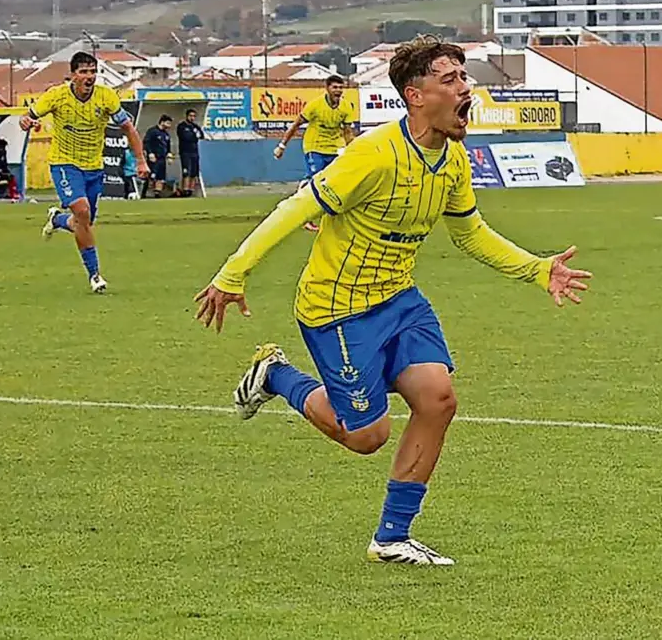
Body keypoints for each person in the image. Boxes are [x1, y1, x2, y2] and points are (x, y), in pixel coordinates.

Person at [193, 36, 591, 565]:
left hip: (400, 300)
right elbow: (293, 210)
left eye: (464, 78)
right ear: (416, 94)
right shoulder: (372, 156)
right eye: (450, 80)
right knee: (366, 437)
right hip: (337, 309)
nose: (464, 90)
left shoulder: (451, 161)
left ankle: (392, 537)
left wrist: (537, 270)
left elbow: (470, 234)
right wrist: (232, 274)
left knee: (438, 399)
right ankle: (275, 376)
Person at [20, 51, 149, 293]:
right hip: (64, 164)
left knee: (83, 222)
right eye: (83, 72)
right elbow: (26, 118)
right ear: (72, 75)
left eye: (93, 71)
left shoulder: (106, 97)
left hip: (93, 167)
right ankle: (95, 275)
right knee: (82, 211)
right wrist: (26, 122)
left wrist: (140, 161)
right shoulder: (56, 96)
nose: (89, 76)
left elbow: (129, 129)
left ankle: (57, 220)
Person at [273, 74, 357, 231]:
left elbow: (347, 132)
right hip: (314, 146)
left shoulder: (346, 107)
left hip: (334, 147)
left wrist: (353, 150)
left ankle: (333, 215)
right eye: (335, 87)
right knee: (315, 178)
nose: (338, 90)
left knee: (333, 181)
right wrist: (282, 146)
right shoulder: (315, 106)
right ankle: (303, 214)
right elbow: (296, 124)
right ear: (327, 88)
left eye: (340, 87)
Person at [175, 108, 206, 197]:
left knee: (194, 172)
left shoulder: (195, 126)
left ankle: (191, 190)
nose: (192, 118)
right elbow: (186, 137)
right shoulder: (182, 126)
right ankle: (185, 190)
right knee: (186, 172)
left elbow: (201, 135)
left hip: (194, 152)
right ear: (187, 116)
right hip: (185, 152)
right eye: (190, 116)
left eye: (194, 116)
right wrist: (194, 135)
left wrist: (195, 135)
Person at [142, 115, 172, 198]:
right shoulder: (152, 131)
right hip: (154, 158)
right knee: (151, 176)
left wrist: (169, 154)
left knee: (161, 177)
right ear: (162, 122)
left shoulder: (166, 134)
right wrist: (150, 153)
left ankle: (157, 194)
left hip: (162, 159)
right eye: (168, 123)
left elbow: (168, 146)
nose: (169, 125)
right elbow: (146, 142)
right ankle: (145, 193)